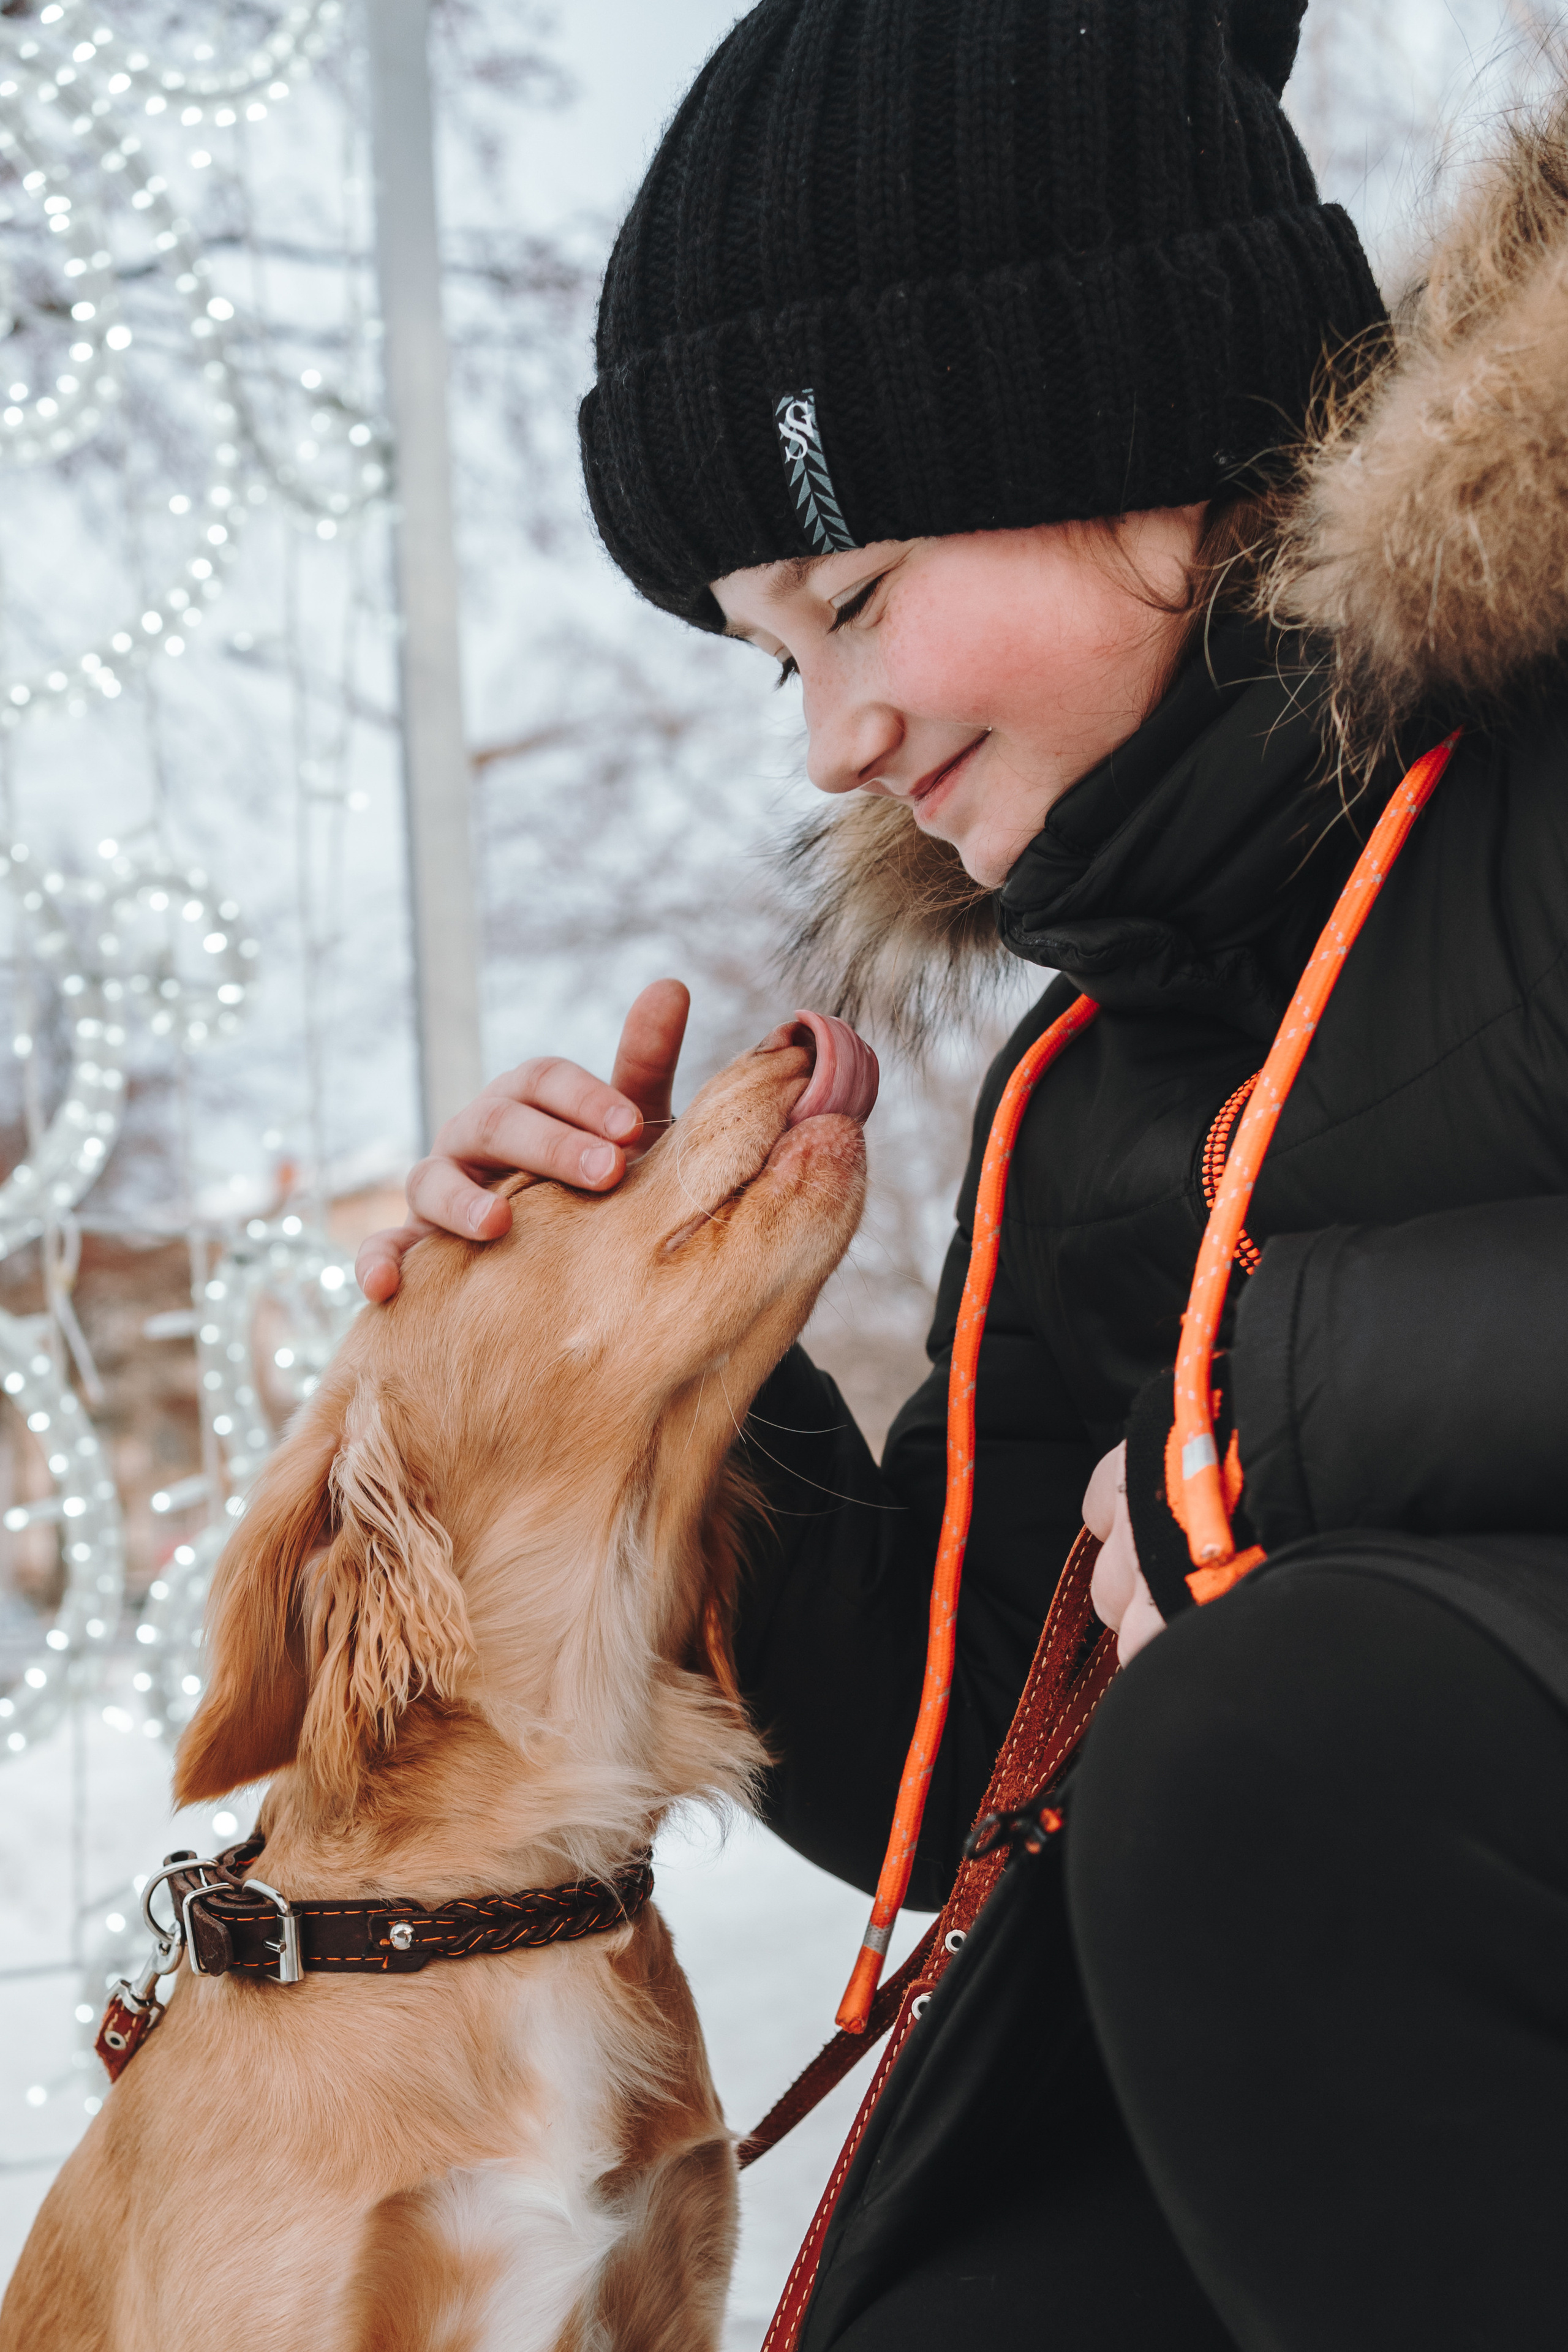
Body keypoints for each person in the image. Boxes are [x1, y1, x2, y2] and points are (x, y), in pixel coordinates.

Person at [358, 2, 1568, 2344]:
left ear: (1134, 435)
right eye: (766, 658)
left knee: (1267, 1749)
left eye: (862, 591)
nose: (834, 735)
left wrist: (1278, 1410)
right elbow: (955, 1780)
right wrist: (676, 1378)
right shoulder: (1094, 1083)